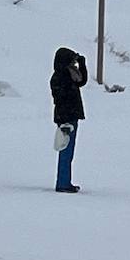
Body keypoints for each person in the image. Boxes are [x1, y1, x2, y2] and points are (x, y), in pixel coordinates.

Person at [50, 47, 89, 193]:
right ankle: (63, 183)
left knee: (67, 150)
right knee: (65, 150)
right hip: (66, 117)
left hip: (69, 116)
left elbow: (81, 81)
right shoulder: (61, 77)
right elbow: (63, 97)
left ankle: (65, 181)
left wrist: (82, 64)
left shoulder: (66, 74)